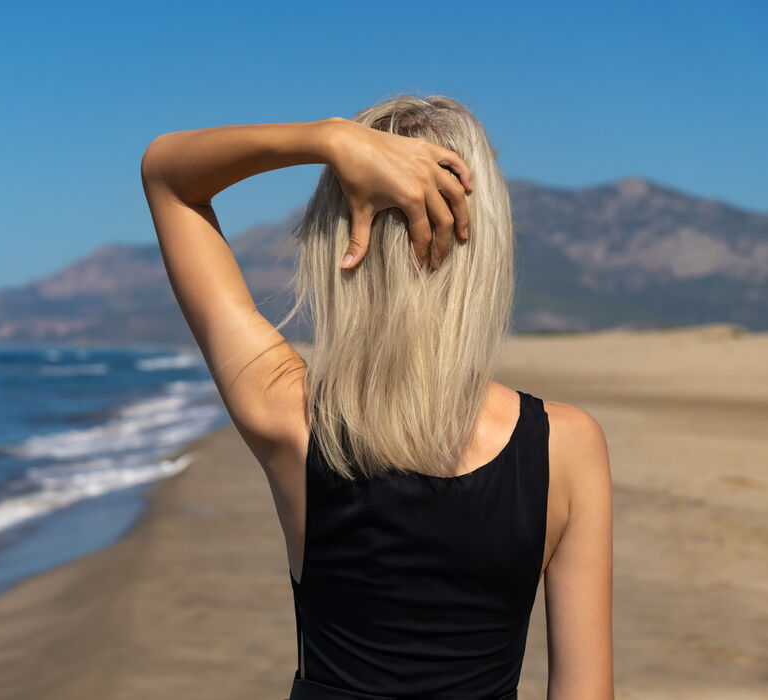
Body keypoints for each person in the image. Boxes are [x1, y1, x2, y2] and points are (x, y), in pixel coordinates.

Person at [140, 94, 614, 699]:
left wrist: (329, 140)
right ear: (484, 242)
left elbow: (168, 175)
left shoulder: (294, 415)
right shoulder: (566, 447)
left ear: (340, 238)